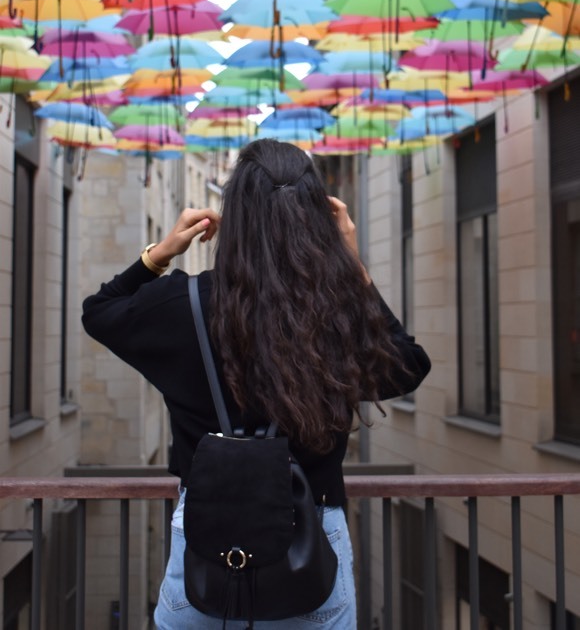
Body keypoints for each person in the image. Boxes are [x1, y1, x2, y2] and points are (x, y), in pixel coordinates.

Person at [82, 139, 431, 629]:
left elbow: (98, 313)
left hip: (206, 544)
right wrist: (353, 268)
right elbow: (408, 366)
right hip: (314, 546)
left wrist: (160, 253)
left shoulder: (181, 305)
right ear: (317, 219)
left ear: (233, 216)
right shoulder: (335, 312)